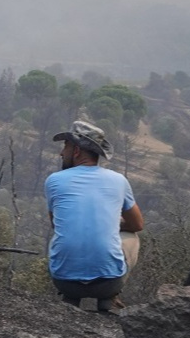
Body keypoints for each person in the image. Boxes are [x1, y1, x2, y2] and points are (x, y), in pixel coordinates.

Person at [45, 120, 144, 311]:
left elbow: (56, 225)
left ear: (76, 151)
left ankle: (70, 300)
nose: (61, 153)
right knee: (132, 237)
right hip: (109, 282)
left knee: (61, 235)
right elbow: (137, 224)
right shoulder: (118, 180)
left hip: (64, 281)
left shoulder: (54, 181)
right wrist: (109, 223)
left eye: (65, 146)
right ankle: (109, 298)